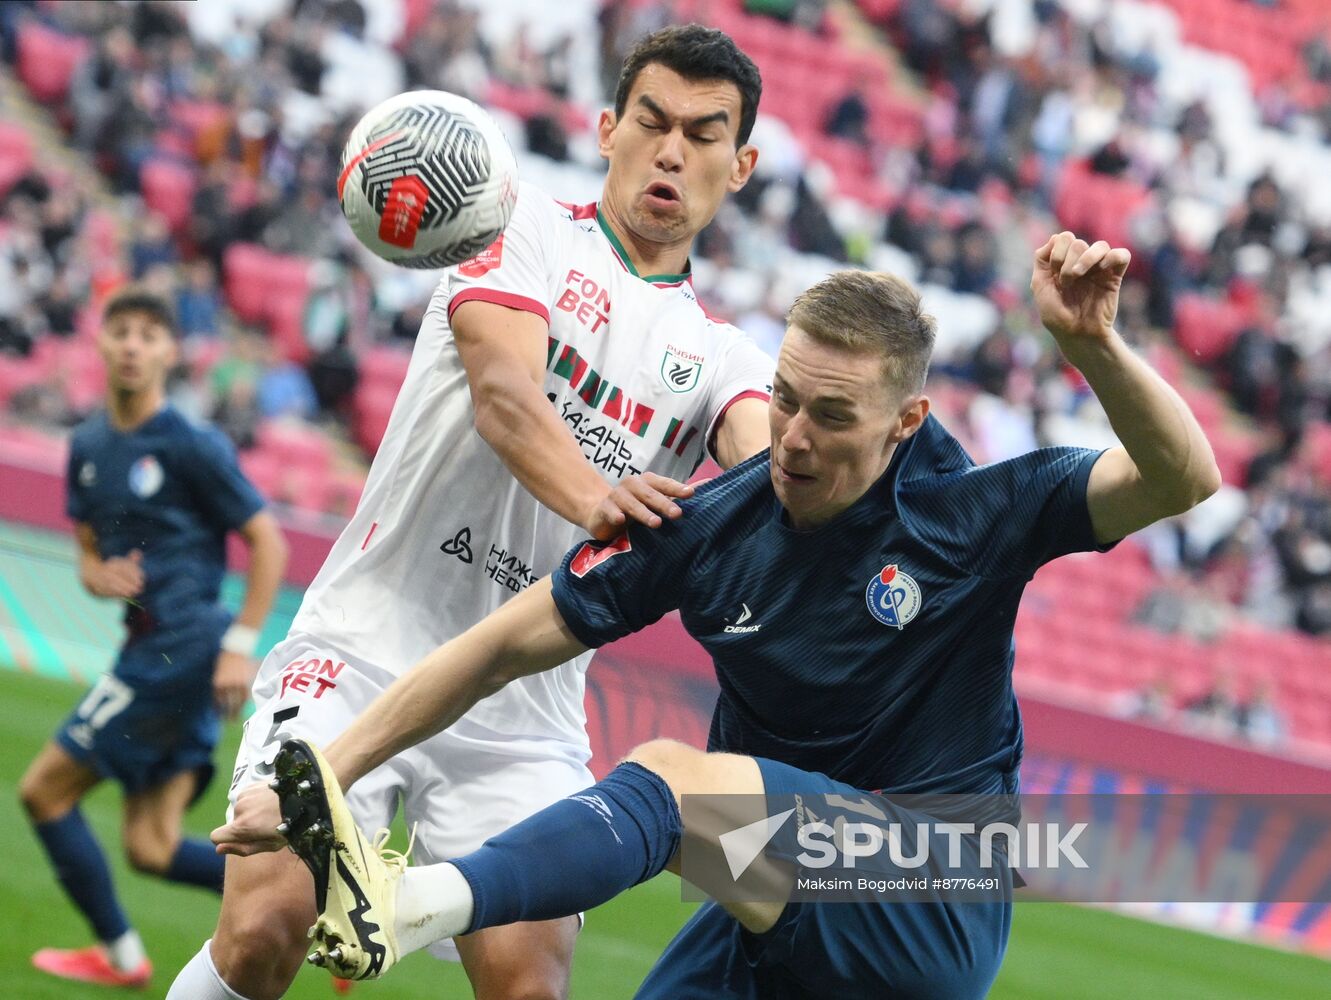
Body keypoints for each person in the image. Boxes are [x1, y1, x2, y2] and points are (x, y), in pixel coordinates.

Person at [217, 233, 1223, 996]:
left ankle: (405, 899)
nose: (790, 436)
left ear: (905, 421)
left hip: (929, 892)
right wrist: (325, 776)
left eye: (831, 416)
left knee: (666, 777)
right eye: (783, 398)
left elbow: (1180, 476)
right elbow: (493, 649)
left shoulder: (971, 511)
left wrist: (1089, 344)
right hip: (770, 897)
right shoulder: (708, 522)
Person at [169, 24, 774, 1000]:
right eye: (653, 122)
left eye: (704, 135)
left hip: (522, 714)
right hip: (362, 647)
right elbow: (505, 394)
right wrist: (598, 499)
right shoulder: (510, 223)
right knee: (264, 923)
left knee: (528, 985)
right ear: (606, 126)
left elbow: (767, 470)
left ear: (740, 165)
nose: (672, 150)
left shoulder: (727, 359)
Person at [19, 287, 287, 989]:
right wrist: (94, 575)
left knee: (44, 792)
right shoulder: (89, 444)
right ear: (100, 343)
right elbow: (85, 551)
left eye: (148, 334)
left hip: (184, 646)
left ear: (170, 351)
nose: (133, 345)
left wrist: (242, 642)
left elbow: (267, 542)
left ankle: (121, 956)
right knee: (151, 847)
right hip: (149, 648)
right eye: (121, 332)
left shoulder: (191, 444)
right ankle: (310, 905)